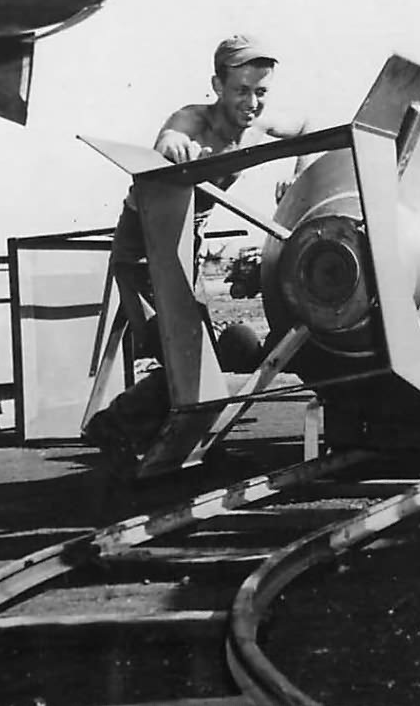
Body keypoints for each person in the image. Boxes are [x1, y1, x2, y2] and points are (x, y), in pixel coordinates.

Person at [84, 34, 310, 475]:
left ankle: (171, 433)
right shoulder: (194, 121)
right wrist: (173, 148)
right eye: (241, 90)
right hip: (146, 243)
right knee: (184, 350)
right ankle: (116, 424)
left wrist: (299, 180)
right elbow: (170, 137)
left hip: (189, 244)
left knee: (197, 352)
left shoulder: (260, 126)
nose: (252, 102)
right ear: (217, 86)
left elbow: (305, 128)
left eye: (261, 92)